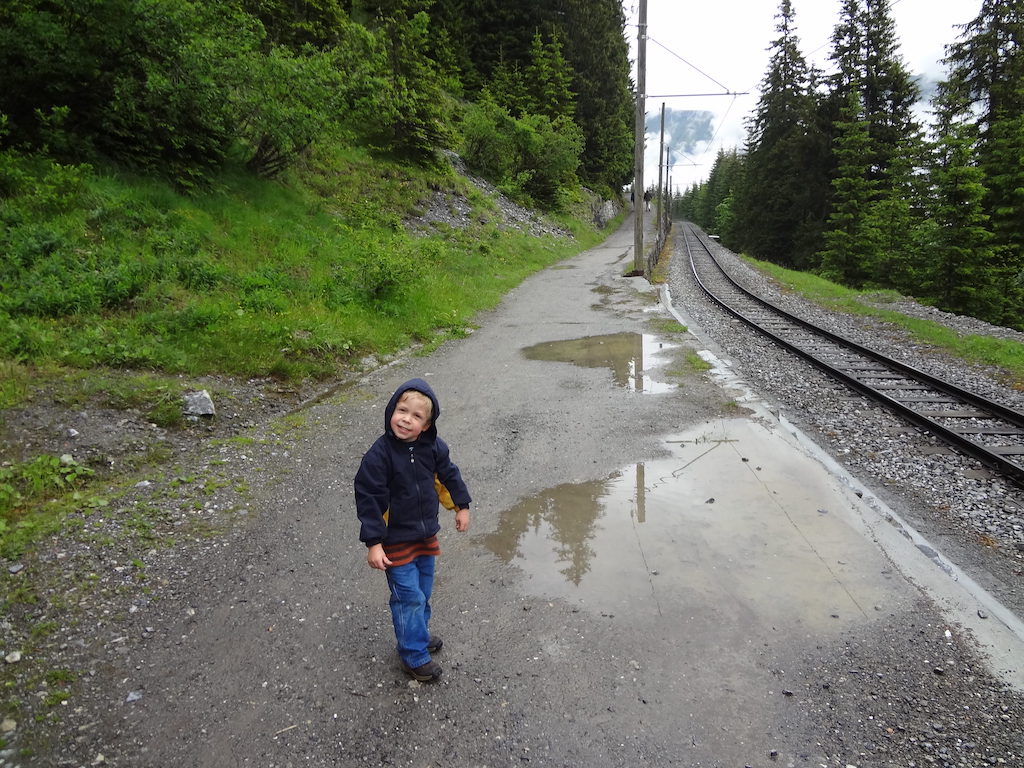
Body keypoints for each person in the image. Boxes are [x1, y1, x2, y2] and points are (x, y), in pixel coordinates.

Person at [354, 378, 471, 682]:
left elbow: (449, 476)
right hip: (394, 542)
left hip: (425, 537)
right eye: (401, 410)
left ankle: (416, 633)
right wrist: (374, 542)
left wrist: (461, 506)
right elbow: (369, 498)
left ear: (427, 424)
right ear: (391, 410)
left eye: (416, 416)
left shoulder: (433, 448)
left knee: (423, 592)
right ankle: (413, 653)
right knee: (409, 597)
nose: (406, 418)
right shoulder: (379, 455)